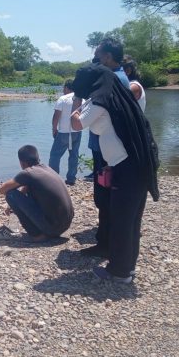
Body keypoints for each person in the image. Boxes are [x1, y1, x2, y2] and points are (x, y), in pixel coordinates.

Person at [70, 63, 160, 283]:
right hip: (136, 164)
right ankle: (127, 268)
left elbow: (76, 124)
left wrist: (76, 106)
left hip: (127, 168)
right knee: (131, 219)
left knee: (121, 220)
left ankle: (119, 271)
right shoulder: (118, 95)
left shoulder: (101, 98)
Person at [83, 38, 133, 255]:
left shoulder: (112, 80)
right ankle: (106, 240)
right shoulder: (120, 78)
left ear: (108, 57)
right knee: (106, 194)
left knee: (105, 194)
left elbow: (86, 118)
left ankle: (105, 243)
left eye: (98, 57)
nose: (96, 61)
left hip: (108, 150)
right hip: (109, 147)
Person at [0, 145, 74, 242]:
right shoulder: (46, 168)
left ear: (22, 163)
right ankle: (44, 229)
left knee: (11, 194)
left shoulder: (28, 173)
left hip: (53, 229)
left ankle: (36, 235)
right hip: (65, 225)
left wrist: (13, 203)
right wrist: (11, 207)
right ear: (38, 158)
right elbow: (27, 186)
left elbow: (3, 189)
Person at [49, 80, 82, 185]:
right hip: (77, 132)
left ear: (68, 88)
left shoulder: (63, 99)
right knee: (74, 155)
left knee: (55, 155)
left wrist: (54, 129)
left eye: (64, 88)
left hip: (63, 132)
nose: (63, 90)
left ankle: (54, 179)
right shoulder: (81, 98)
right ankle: (71, 179)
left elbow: (56, 116)